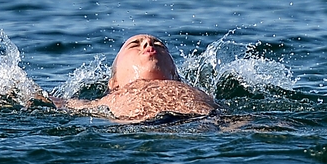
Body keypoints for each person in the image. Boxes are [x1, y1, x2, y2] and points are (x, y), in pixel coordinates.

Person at [49, 34, 218, 122]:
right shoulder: (105, 101)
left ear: (176, 73)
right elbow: (57, 104)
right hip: (139, 128)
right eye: (135, 44)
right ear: (114, 82)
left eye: (158, 45)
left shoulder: (199, 92)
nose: (149, 45)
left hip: (206, 122)